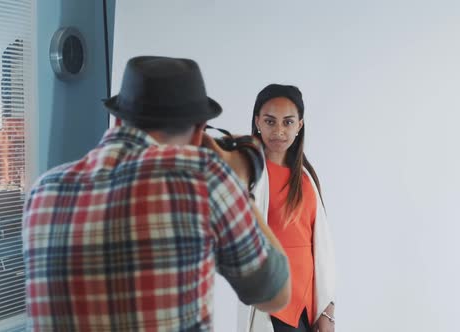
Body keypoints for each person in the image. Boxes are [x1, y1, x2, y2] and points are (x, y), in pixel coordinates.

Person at [22, 56, 291, 331]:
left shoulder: (43, 191)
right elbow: (274, 294)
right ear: (199, 132)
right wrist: (237, 184)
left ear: (117, 120)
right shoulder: (203, 179)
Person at [243, 84, 336, 332]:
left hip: (306, 308)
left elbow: (321, 250)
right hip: (271, 306)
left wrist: (327, 310)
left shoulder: (307, 179)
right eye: (270, 121)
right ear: (257, 122)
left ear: (300, 125)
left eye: (288, 122)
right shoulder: (248, 176)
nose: (279, 131)